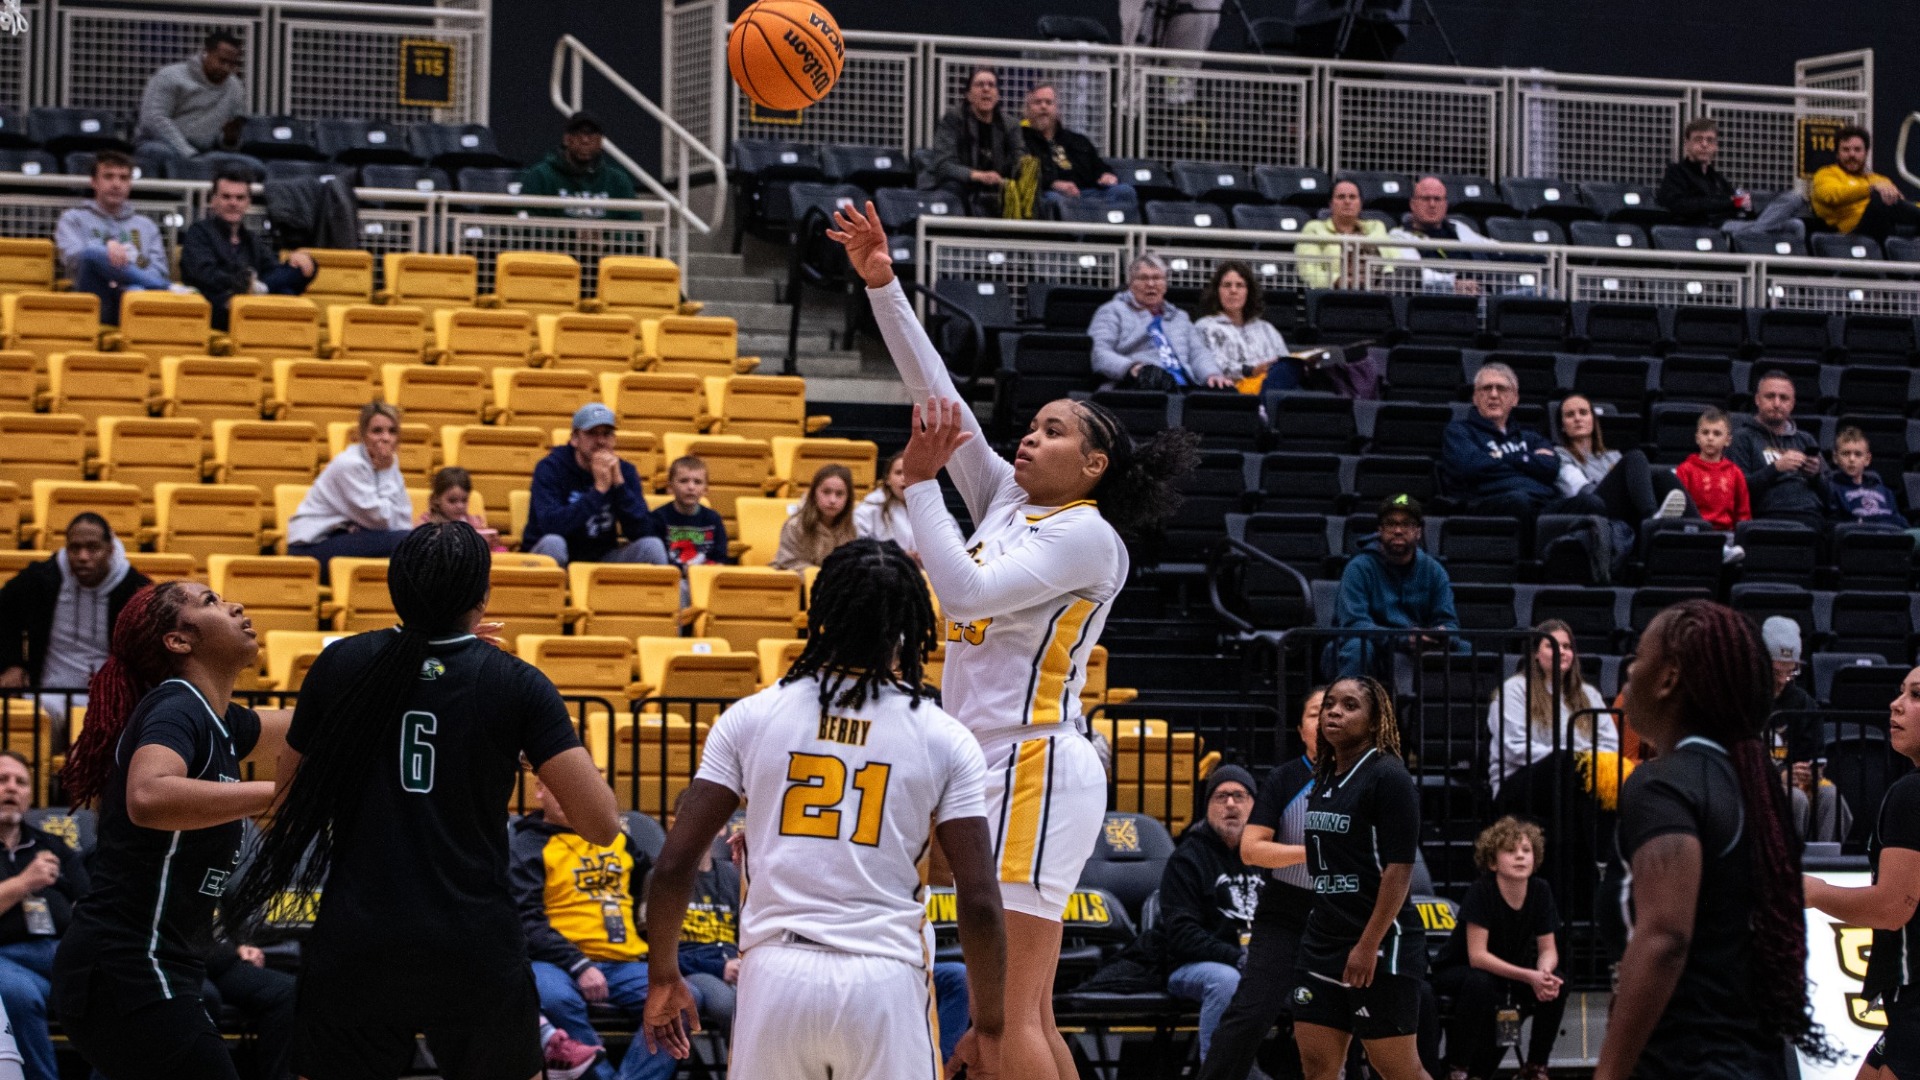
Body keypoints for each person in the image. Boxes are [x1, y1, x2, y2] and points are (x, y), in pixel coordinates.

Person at [829, 199, 1198, 1080]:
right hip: (996, 761)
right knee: (1024, 1013)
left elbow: (963, 591)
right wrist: (884, 286)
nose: (1030, 436)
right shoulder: (1007, 500)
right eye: (1030, 427)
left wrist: (919, 486)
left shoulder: (1086, 535)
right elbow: (940, 400)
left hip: (1035, 762)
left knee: (1001, 1024)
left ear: (1094, 465)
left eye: (1053, 431)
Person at [220, 522, 620, 1080]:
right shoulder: (514, 683)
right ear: (482, 596)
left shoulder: (341, 667)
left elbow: (290, 797)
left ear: (395, 588)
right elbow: (601, 824)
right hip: (471, 937)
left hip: (359, 935)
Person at [640, 539, 1009, 1079]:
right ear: (909, 625)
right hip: (884, 977)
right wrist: (990, 1027)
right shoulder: (944, 737)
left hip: (775, 975)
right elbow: (978, 899)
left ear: (821, 614)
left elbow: (673, 863)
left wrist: (663, 977)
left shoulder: (753, 716)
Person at [50, 581, 289, 1080]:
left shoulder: (220, 721)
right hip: (127, 967)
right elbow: (149, 795)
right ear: (178, 641)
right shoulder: (177, 705)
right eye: (210, 602)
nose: (236, 605)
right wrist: (274, 795)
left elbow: (317, 722)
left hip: (155, 967)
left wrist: (428, 658)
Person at [1594, 599, 1835, 1080]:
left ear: (1668, 679)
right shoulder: (1758, 786)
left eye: (1639, 659)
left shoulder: (1661, 784)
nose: (1629, 675)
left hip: (1682, 1064)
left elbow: (1665, 937)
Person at [1291, 676, 1430, 1080]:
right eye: (1330, 704)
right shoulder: (1325, 775)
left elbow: (1399, 869)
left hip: (1380, 941)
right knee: (1317, 1067)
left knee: (1396, 1069)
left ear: (1374, 722)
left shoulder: (1389, 776)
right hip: (1322, 939)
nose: (1334, 711)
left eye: (1349, 706)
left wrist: (1367, 946)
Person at [511, 777, 680, 1080]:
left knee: (677, 999)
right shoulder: (527, 845)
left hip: (625, 961)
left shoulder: (618, 839)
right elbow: (526, 920)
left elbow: (653, 888)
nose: (570, 797)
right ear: (539, 790)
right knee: (552, 998)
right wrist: (579, 965)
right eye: (560, 788)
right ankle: (599, 1074)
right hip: (557, 962)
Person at [1197, 689, 1324, 1080]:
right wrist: (1314, 854)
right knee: (1250, 1014)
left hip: (1343, 916)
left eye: (1338, 710)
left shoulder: (1373, 778)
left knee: (1365, 1015)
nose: (1327, 720)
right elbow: (1252, 850)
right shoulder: (1285, 779)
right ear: (1301, 728)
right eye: (1317, 713)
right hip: (1285, 912)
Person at [1803, 664, 1920, 1080]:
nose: (1896, 704)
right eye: (1901, 691)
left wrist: (1814, 891)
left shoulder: (1911, 794)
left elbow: (1892, 907)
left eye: (1916, 695)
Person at [1433, 817, 1565, 1080]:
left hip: (1506, 972)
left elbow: (1548, 949)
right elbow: (1478, 957)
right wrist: (1530, 976)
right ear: (1493, 862)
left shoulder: (1540, 890)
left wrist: (1544, 974)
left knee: (1558, 985)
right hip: (1460, 971)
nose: (1520, 857)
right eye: (1510, 851)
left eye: (1526, 851)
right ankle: (1457, 1068)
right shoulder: (1481, 891)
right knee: (1480, 982)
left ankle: (1535, 1067)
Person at [1162, 765, 1263, 1061]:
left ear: (1254, 806)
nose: (1230, 804)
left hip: (1257, 963)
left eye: (1239, 796)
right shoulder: (1186, 859)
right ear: (1207, 808)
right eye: (1220, 797)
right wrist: (1237, 957)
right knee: (1226, 980)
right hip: (1194, 966)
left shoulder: (1266, 854)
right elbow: (1182, 934)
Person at [0, 513, 150, 707]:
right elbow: (4, 611)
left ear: (111, 549)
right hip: (47, 695)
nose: (83, 557)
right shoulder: (42, 578)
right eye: (75, 548)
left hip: (111, 700)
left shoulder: (135, 589)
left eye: (93, 548)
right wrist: (12, 664)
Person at [0, 751, 86, 1080]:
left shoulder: (53, 845)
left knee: (123, 982)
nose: (12, 788)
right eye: (2, 780)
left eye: (20, 782)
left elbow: (88, 902)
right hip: (6, 957)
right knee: (16, 994)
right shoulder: (36, 865)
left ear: (29, 795)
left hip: (61, 954)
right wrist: (24, 883)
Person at [1325, 494, 1461, 682]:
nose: (1398, 530)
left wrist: (1441, 636)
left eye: (1406, 524)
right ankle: (1352, 708)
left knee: (1468, 650)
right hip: (1372, 646)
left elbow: (1451, 623)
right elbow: (1354, 624)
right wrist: (1404, 640)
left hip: (1416, 648)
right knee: (1358, 647)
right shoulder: (1359, 568)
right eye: (1390, 524)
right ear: (1380, 530)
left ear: (1418, 532)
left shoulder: (1434, 570)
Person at [1443, 361, 1599, 520]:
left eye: (1502, 388)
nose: (1494, 395)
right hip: (1493, 504)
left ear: (1515, 399)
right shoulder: (1460, 431)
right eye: (1486, 388)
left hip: (1543, 502)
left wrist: (1500, 457)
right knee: (1520, 501)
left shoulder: (1530, 437)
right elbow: (1471, 467)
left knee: (1591, 503)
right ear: (1475, 398)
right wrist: (1529, 461)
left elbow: (1551, 467)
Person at [525, 403, 670, 568]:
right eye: (592, 433)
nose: (601, 441)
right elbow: (551, 526)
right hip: (553, 555)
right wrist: (598, 491)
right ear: (574, 438)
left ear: (614, 439)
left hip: (602, 557)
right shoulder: (551, 468)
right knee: (554, 543)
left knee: (652, 546)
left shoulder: (625, 471)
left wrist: (619, 487)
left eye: (607, 434)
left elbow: (643, 531)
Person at [1487, 619, 1617, 800]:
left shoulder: (1589, 694)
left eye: (1567, 646)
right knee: (1566, 769)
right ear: (1535, 654)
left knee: (1613, 778)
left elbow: (1610, 744)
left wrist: (1579, 762)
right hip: (1519, 781)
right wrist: (1571, 759)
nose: (1561, 652)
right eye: (1552, 646)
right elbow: (1514, 748)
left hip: (1577, 778)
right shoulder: (1513, 690)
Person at [178, 167, 314, 332]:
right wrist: (242, 284)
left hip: (253, 310)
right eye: (226, 197)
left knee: (296, 275)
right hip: (217, 309)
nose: (233, 203)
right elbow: (203, 274)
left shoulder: (252, 239)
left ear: (248, 202)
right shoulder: (198, 232)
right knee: (285, 294)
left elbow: (274, 271)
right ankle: (260, 291)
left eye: (240, 198)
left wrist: (301, 259)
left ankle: (260, 290)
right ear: (213, 200)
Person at [54, 151, 180, 325]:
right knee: (91, 253)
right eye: (108, 177)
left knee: (134, 290)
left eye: (123, 178)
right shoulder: (73, 219)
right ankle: (167, 287)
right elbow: (72, 259)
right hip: (94, 298)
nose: (116, 184)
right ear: (94, 182)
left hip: (134, 300)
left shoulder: (146, 226)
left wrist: (127, 271)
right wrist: (105, 252)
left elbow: (159, 270)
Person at [285, 402, 414, 566]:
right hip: (311, 548)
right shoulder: (349, 464)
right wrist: (384, 472)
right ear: (363, 435)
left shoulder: (389, 461)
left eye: (392, 431)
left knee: (414, 542)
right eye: (377, 431)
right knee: (407, 541)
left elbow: (403, 516)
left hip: (347, 536)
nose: (386, 438)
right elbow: (380, 520)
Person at [1763, 618, 1852, 844]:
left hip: (1795, 780)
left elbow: (1815, 754)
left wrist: (1812, 772)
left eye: (1790, 672)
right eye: (1776, 673)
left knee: (1831, 797)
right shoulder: (1741, 697)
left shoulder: (1803, 703)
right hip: (1755, 779)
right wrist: (1780, 775)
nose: (1783, 680)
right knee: (1796, 800)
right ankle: (1787, 868)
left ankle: (1825, 866)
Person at [1552, 392, 1689, 534]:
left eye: (1583, 413)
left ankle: (1699, 529)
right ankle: (1652, 518)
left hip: (1624, 510)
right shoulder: (1559, 455)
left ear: (1593, 420)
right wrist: (1615, 480)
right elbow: (1582, 491)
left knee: (1665, 477)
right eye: (1570, 415)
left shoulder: (1612, 455)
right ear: (1562, 426)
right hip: (1593, 509)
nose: (1577, 418)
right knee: (1635, 456)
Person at [1089, 252, 1227, 391]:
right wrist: (1131, 368)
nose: (1150, 284)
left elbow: (1198, 353)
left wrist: (1212, 374)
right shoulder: (1112, 311)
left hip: (1183, 386)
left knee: (1225, 391)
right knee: (1153, 378)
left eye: (1156, 278)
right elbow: (1099, 352)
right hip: (1138, 383)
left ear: (1165, 284)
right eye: (1143, 278)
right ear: (1130, 283)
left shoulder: (1179, 317)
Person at [1657, 118, 1808, 238]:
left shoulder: (1716, 178)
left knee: (1795, 219)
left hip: (1736, 223)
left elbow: (1737, 207)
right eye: (1698, 139)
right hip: (1711, 227)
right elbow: (1679, 205)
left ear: (1716, 146)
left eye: (1709, 140)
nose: (1704, 144)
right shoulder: (1676, 172)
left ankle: (1754, 233)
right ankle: (1752, 235)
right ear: (1687, 144)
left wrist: (1745, 205)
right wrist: (1731, 202)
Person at [669, 788, 740, 1031]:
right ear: (674, 825)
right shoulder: (663, 877)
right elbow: (657, 953)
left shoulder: (732, 876)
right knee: (728, 1006)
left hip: (736, 966)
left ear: (721, 828)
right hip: (692, 969)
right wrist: (719, 968)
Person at [1728, 371, 1829, 532]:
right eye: (1770, 396)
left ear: (1792, 403)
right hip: (1768, 519)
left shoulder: (1806, 440)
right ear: (1757, 400)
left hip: (1811, 517)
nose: (1776, 403)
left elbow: (1830, 496)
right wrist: (1775, 468)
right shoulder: (1742, 438)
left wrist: (1816, 476)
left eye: (1784, 398)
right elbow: (1738, 492)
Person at [923, 67, 1025, 216]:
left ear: (997, 95)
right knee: (952, 190)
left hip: (998, 185)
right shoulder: (954, 119)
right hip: (962, 184)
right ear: (968, 95)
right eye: (980, 85)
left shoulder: (1010, 125)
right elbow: (943, 165)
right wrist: (978, 175)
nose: (986, 89)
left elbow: (1020, 159)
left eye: (991, 85)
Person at [134, 30, 247, 161]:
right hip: (161, 144)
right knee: (159, 153)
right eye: (222, 61)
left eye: (232, 64)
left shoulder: (235, 87)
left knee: (251, 166)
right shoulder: (169, 76)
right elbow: (154, 120)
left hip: (205, 152)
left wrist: (229, 140)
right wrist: (188, 153)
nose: (227, 68)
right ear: (206, 53)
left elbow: (225, 144)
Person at [1021, 83, 1134, 212]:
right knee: (1054, 201)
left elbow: (1099, 166)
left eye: (1048, 102)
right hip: (1051, 193)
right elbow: (1019, 174)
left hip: (1087, 193)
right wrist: (1054, 184)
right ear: (1027, 110)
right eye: (1038, 102)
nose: (1043, 106)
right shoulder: (1020, 140)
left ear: (1057, 108)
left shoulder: (1078, 140)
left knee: (1125, 191)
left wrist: (1106, 175)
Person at [200, 938, 296, 1080]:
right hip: (181, 962)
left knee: (287, 991)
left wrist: (243, 945)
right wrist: (233, 950)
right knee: (206, 999)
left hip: (219, 957)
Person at [1193, 260, 1297, 391]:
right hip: (1232, 393)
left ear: (1249, 292)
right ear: (1217, 291)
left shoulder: (1266, 328)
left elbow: (1284, 362)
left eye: (1240, 285)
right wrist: (1252, 371)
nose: (1233, 290)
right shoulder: (1205, 327)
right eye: (1227, 285)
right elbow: (1210, 366)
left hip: (1272, 389)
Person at [517, 112, 641, 221]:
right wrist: (571, 235)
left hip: (606, 248)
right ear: (566, 139)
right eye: (578, 134)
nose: (585, 140)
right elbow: (526, 224)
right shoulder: (540, 176)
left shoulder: (618, 181)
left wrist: (604, 239)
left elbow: (637, 230)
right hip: (552, 248)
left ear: (600, 142)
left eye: (591, 135)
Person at [1387, 177, 1494, 295]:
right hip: (1434, 302)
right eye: (1425, 199)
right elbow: (1414, 274)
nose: (1432, 204)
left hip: (1478, 297)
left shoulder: (1458, 228)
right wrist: (1452, 284)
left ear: (1445, 205)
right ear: (1413, 204)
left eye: (1437, 199)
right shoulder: (1399, 236)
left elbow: (1493, 248)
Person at [1812, 126, 1920, 243]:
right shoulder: (1826, 174)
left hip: (1886, 229)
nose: (1852, 154)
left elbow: (1900, 205)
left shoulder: (1879, 179)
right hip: (1851, 234)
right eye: (1846, 150)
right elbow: (1831, 196)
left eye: (1857, 150)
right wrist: (1870, 189)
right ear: (1837, 154)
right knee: (1879, 199)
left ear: (1866, 153)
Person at [1673, 407, 1750, 563]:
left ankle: (1724, 551)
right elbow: (1680, 508)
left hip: (1726, 534)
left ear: (1728, 440)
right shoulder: (1686, 469)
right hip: (1695, 532)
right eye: (1705, 432)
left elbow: (1743, 512)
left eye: (1716, 433)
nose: (1710, 438)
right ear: (1697, 438)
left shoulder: (1735, 472)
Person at [1299, 178, 1401, 289]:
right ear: (1331, 204)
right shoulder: (1314, 229)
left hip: (1376, 292)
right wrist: (1338, 280)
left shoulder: (1376, 227)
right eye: (1341, 197)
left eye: (1352, 197)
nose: (1347, 201)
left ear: (1360, 203)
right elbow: (1308, 270)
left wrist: (1381, 280)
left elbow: (1394, 261)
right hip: (1333, 294)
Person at [771, 463, 857, 571]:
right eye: (826, 492)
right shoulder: (794, 526)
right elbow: (788, 563)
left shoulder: (853, 528)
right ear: (814, 494)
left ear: (848, 499)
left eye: (839, 494)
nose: (832, 500)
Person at [651, 456, 729, 569]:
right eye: (683, 481)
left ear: (705, 490)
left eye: (697, 482)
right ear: (670, 487)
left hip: (704, 577)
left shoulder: (713, 519)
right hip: (673, 579)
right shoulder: (658, 517)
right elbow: (658, 560)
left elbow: (720, 559)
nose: (691, 487)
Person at [1826, 426, 1906, 528]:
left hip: (1893, 536)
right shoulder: (1831, 488)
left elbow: (1900, 521)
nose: (1852, 459)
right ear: (1835, 458)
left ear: (1867, 459)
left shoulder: (1885, 491)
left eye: (1858, 454)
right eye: (1846, 454)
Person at [417, 466, 505, 551]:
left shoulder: (475, 523)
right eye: (452, 501)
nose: (460, 506)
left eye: (464, 500)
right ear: (437, 499)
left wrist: (491, 544)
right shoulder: (426, 525)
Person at [854, 451, 916, 558]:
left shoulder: (932, 508)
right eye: (898, 472)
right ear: (887, 479)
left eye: (910, 473)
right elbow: (857, 545)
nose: (904, 478)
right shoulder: (870, 506)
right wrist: (897, 556)